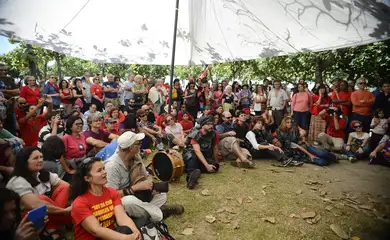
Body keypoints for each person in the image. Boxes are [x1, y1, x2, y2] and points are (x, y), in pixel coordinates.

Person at [105, 131, 184, 221]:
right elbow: (110, 197)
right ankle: (159, 213)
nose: (141, 144)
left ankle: (143, 215)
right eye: (139, 143)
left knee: (161, 194)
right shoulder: (112, 166)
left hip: (138, 194)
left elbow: (145, 175)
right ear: (131, 148)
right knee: (128, 202)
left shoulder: (135, 156)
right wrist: (135, 188)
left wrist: (150, 186)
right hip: (124, 198)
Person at [6, 147, 71, 239]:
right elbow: (35, 205)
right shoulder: (17, 181)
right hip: (26, 219)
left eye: (41, 157)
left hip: (48, 215)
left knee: (64, 187)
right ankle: (55, 228)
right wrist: (64, 211)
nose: (40, 160)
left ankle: (53, 226)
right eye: (36, 158)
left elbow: (68, 186)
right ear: (25, 162)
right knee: (41, 199)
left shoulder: (41, 173)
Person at [70, 157, 142, 240]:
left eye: (104, 168)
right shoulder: (80, 203)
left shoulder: (112, 192)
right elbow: (96, 230)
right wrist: (126, 238)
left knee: (128, 228)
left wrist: (135, 232)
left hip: (109, 236)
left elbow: (122, 217)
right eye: (99, 170)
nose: (104, 172)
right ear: (87, 178)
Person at [183, 116, 220, 189]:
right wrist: (207, 165)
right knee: (192, 158)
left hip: (205, 156)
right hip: (193, 154)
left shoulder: (214, 134)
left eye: (212, 124)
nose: (211, 126)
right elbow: (197, 151)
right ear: (202, 125)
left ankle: (196, 170)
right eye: (208, 124)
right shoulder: (195, 134)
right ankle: (191, 178)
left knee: (215, 167)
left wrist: (216, 162)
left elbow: (215, 148)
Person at [60, 116, 87, 180]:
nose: (80, 126)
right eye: (77, 124)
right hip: (71, 167)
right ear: (70, 126)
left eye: (81, 124)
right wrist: (68, 170)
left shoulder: (83, 136)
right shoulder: (65, 138)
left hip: (82, 166)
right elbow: (60, 156)